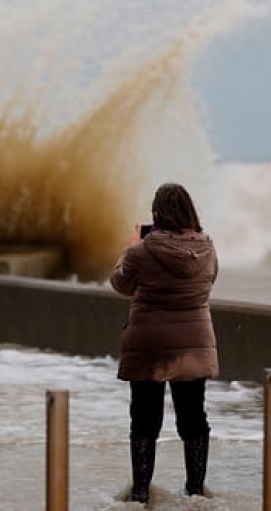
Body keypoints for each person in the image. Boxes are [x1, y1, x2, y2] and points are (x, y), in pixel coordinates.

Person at [109, 182, 219, 504]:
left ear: (156, 214)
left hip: (150, 344)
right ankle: (195, 491)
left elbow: (120, 284)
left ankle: (141, 492)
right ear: (189, 212)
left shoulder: (141, 251)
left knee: (144, 419)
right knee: (193, 416)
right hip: (193, 343)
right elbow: (210, 280)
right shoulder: (207, 248)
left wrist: (128, 247)